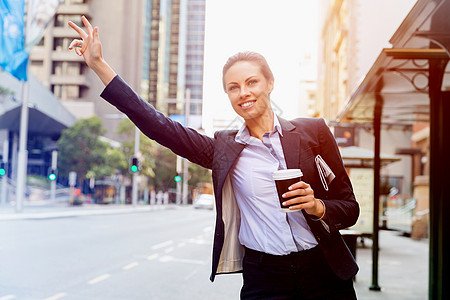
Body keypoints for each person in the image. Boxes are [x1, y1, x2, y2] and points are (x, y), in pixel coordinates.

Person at [69, 16, 360, 300]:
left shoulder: (314, 132)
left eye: (252, 82)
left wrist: (317, 206)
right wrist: (98, 65)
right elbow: (157, 124)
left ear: (270, 83)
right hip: (266, 276)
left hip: (324, 270)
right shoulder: (223, 148)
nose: (243, 93)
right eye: (233, 88)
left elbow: (350, 208)